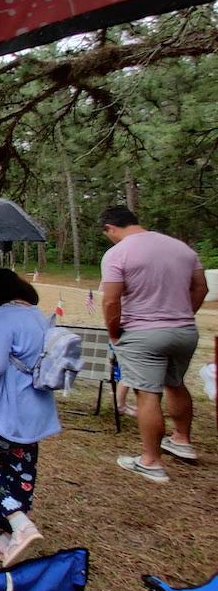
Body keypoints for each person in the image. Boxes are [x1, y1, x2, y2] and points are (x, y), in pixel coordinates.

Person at [100, 206, 207, 482]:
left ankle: (150, 461)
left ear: (110, 228)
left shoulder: (118, 253)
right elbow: (201, 287)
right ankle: (182, 440)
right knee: (176, 383)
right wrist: (184, 314)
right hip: (184, 330)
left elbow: (111, 300)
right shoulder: (181, 248)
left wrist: (114, 332)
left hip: (142, 333)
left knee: (147, 394)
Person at [0, 268, 61, 567]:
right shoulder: (38, 316)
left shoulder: (1, 318)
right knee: (22, 467)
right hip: (35, 412)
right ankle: (10, 531)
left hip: (1, 410)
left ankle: (19, 524)